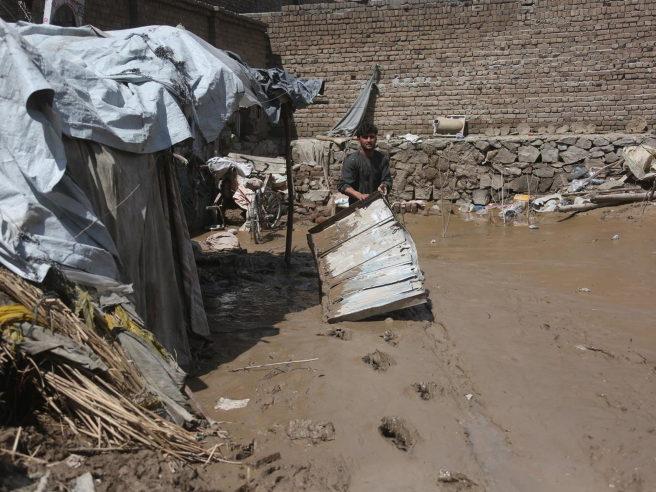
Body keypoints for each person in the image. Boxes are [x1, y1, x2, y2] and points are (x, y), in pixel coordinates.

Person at [338, 122, 393, 205]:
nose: (369, 140)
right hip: (358, 206)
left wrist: (384, 186)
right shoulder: (352, 160)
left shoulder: (382, 159)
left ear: (376, 139)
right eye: (365, 137)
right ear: (358, 140)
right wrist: (359, 195)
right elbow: (343, 185)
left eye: (372, 137)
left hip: (379, 204)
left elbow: (387, 179)